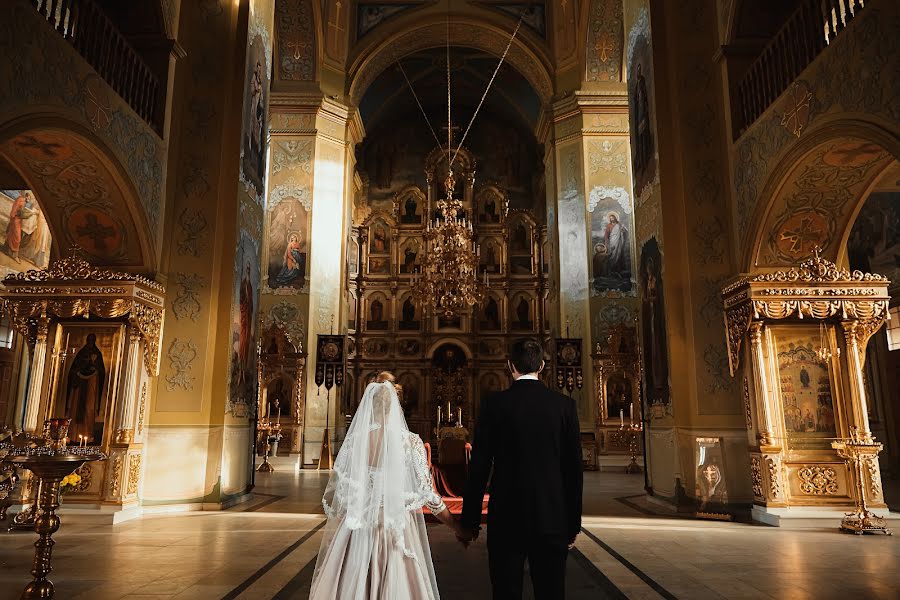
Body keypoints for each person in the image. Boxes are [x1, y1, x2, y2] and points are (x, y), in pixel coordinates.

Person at [309, 372, 462, 599]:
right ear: (397, 407)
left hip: (357, 526)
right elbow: (428, 495)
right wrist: (458, 527)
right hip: (395, 526)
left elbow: (343, 494)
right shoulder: (410, 443)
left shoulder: (355, 441)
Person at [459, 339, 583, 600]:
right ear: (542, 365)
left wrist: (469, 522)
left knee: (505, 592)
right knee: (551, 592)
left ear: (510, 366)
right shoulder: (564, 407)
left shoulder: (494, 405)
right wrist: (572, 524)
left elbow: (479, 466)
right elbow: (573, 471)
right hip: (552, 516)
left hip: (506, 517)